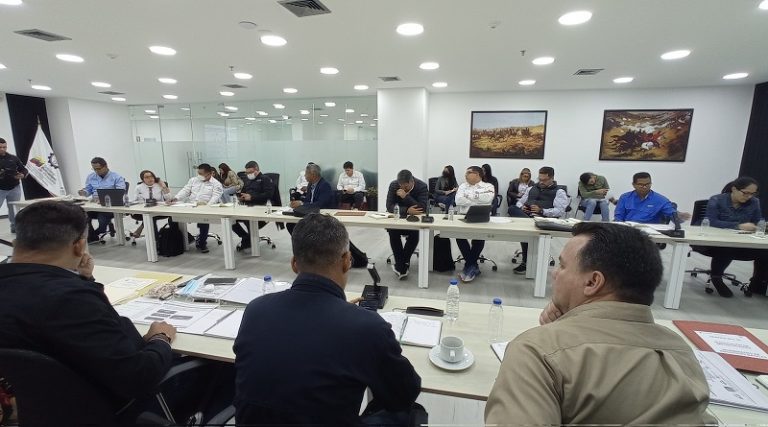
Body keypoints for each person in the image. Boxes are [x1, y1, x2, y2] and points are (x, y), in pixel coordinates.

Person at [485, 223, 715, 425]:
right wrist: (569, 315)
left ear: (593, 282)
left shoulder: (536, 351)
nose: (555, 274)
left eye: (562, 266)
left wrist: (553, 334)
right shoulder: (681, 351)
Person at [234, 213, 422, 426]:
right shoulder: (367, 327)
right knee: (408, 412)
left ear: (294, 264)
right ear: (347, 261)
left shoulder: (256, 309)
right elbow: (404, 394)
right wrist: (354, 320)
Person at [0, 201, 177, 420]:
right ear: (79, 246)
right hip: (106, 406)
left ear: (15, 243)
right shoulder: (72, 300)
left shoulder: (63, 293)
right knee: (212, 370)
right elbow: (138, 377)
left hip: (37, 405)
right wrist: (160, 338)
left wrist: (83, 279)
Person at [702, 176, 767, 297]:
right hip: (716, 240)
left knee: (765, 251)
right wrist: (738, 226)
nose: (749, 197)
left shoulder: (754, 202)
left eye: (752, 194)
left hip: (742, 240)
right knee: (727, 247)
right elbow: (711, 222)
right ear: (734, 189)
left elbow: (758, 221)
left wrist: (760, 226)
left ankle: (758, 283)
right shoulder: (717, 199)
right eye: (745, 193)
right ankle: (716, 277)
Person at [509, 166, 569, 274]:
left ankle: (526, 262)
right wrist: (522, 207)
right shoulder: (531, 188)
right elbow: (519, 202)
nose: (541, 182)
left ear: (552, 178)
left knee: (526, 230)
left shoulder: (559, 192)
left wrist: (542, 210)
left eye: (544, 180)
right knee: (512, 208)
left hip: (543, 219)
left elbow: (560, 211)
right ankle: (529, 226)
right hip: (528, 216)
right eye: (539, 179)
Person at [167, 163, 223, 253]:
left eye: (201, 174)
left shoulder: (216, 184)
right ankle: (181, 241)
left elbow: (215, 197)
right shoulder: (193, 180)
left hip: (204, 208)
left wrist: (207, 206)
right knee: (173, 218)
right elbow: (185, 190)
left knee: (204, 222)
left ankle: (202, 243)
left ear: (209, 173)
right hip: (190, 205)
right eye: (198, 173)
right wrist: (176, 198)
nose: (199, 175)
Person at [455, 166, 495, 282]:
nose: (465, 175)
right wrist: (478, 199)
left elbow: (487, 199)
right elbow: (458, 201)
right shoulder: (462, 186)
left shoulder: (488, 186)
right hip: (463, 216)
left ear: (477, 174)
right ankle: (472, 265)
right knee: (459, 236)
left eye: (468, 172)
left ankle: (469, 265)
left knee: (479, 238)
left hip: (481, 216)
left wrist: (468, 196)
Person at [386, 169, 428, 279]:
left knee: (415, 233)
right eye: (401, 186)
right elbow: (389, 206)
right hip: (398, 219)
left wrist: (405, 196)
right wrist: (407, 210)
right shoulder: (394, 185)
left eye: (406, 186)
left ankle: (401, 264)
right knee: (393, 232)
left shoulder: (421, 186)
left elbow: (422, 208)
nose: (403, 188)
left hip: (414, 221)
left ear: (412, 181)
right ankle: (403, 264)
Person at [77, 157, 126, 242]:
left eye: (98, 169)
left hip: (109, 206)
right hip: (94, 205)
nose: (96, 171)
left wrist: (105, 199)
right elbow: (88, 190)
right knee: (82, 214)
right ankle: (91, 236)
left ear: (105, 166)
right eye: (94, 169)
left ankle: (98, 232)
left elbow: (120, 192)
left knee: (102, 217)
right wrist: (84, 192)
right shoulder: (91, 177)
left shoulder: (116, 177)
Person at [232, 161, 275, 251]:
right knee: (231, 220)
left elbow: (269, 195)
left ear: (256, 169)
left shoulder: (265, 179)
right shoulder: (248, 180)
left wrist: (252, 197)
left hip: (261, 209)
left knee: (248, 219)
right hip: (247, 208)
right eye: (247, 173)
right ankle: (246, 237)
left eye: (250, 172)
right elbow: (244, 192)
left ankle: (248, 240)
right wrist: (241, 197)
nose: (248, 175)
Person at [614, 172, 689, 223]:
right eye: (641, 184)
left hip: (650, 234)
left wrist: (680, 216)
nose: (644, 187)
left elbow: (673, 214)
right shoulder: (625, 198)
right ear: (634, 185)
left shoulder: (660, 200)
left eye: (647, 184)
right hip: (629, 232)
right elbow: (618, 218)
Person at [287, 163, 335, 234]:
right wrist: (299, 202)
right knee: (290, 224)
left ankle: (306, 240)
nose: (304, 176)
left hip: (322, 215)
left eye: (306, 173)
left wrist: (302, 204)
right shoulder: (310, 184)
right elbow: (308, 200)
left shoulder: (324, 185)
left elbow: (320, 204)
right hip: (311, 212)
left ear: (313, 174)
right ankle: (303, 241)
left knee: (296, 226)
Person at [130, 170, 171, 238]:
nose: (150, 178)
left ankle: (154, 238)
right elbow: (135, 200)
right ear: (143, 180)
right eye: (147, 177)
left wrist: (164, 186)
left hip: (159, 210)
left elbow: (169, 198)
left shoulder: (159, 185)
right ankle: (155, 240)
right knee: (150, 216)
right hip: (144, 210)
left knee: (151, 217)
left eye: (151, 176)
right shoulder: (139, 187)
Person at [0, 137, 28, 234]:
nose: (2, 149)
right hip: (0, 189)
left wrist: (22, 175)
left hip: (14, 188)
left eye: (4, 147)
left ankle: (15, 227)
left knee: (14, 209)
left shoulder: (13, 158)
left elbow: (24, 169)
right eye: (0, 147)